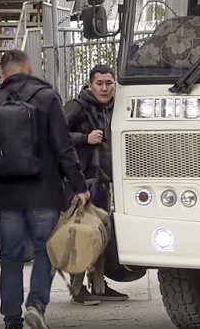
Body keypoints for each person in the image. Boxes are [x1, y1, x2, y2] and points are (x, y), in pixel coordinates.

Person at [0, 49, 89, 329]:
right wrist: (78, 185)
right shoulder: (48, 99)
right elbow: (63, 146)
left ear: (3, 73)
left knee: (10, 256)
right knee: (44, 251)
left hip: (5, 195)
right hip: (44, 192)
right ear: (29, 66)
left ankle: (11, 318)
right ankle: (36, 305)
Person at [63, 64, 129, 305]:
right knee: (81, 235)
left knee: (101, 234)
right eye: (99, 83)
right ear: (90, 85)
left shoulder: (116, 107)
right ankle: (77, 287)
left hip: (106, 182)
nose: (104, 88)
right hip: (83, 183)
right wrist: (84, 138)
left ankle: (99, 285)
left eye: (108, 83)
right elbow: (56, 134)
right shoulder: (77, 107)